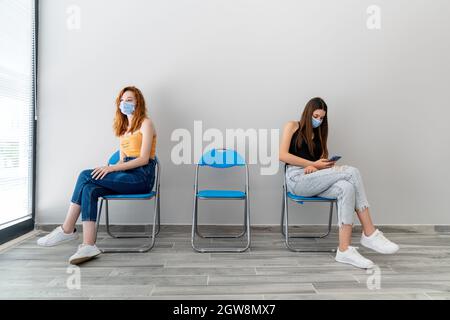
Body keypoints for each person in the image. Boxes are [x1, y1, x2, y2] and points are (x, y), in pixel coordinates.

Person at [37, 86, 157, 265]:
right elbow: (122, 159)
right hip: (125, 174)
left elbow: (143, 159)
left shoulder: (146, 123)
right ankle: (88, 244)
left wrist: (110, 169)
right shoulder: (123, 129)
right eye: (122, 101)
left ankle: (67, 229)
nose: (125, 103)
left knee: (85, 175)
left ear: (138, 102)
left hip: (142, 176)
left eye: (129, 100)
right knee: (89, 188)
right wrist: (115, 167)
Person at [279, 97, 399, 269]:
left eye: (321, 118)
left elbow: (319, 163)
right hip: (296, 180)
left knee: (346, 187)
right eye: (316, 116)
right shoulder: (292, 126)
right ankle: (370, 233)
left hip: (315, 178)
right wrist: (310, 164)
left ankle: (344, 250)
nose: (318, 120)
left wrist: (321, 167)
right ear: (307, 113)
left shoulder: (320, 135)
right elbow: (282, 155)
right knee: (352, 171)